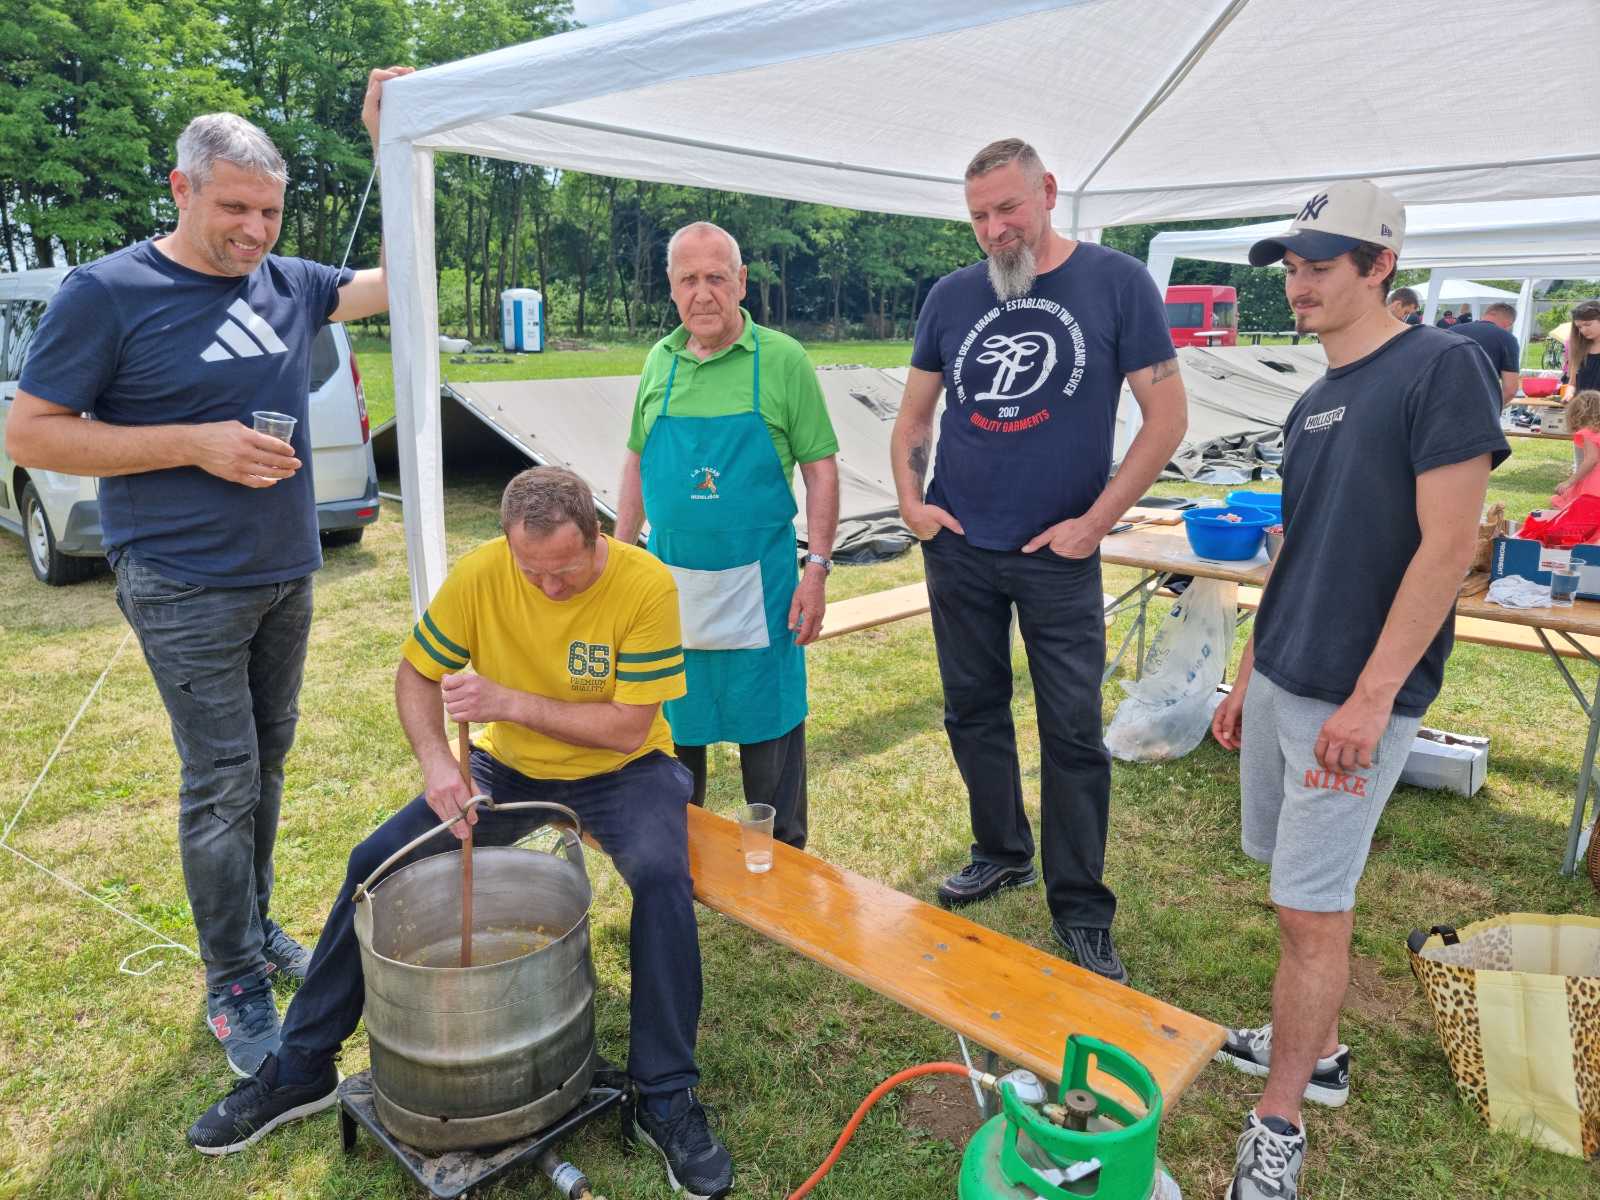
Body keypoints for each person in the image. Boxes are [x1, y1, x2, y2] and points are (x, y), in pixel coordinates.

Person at [4, 70, 411, 1077]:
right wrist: (194, 445)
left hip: (285, 569)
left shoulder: (291, 283)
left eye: (269, 211)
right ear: (181, 191)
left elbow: (403, 277)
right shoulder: (109, 291)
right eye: (234, 207)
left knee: (267, 767)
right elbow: (33, 429)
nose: (255, 230)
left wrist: (385, 144)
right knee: (221, 780)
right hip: (182, 578)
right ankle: (232, 977)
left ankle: (256, 927)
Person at [187, 467, 735, 1198]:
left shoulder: (645, 585)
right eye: (530, 571)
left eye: (564, 572)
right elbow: (416, 675)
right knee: (375, 862)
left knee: (665, 879)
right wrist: (437, 761)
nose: (546, 588)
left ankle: (665, 1092)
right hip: (505, 771)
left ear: (597, 537)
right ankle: (301, 1066)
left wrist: (507, 698)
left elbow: (624, 726)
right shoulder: (482, 575)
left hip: (622, 769)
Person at [1210, 179, 1506, 1200]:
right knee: (1287, 886)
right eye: (1289, 266)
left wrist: (1375, 698)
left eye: (1319, 266)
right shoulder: (1311, 396)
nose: (1297, 284)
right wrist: (1246, 670)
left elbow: (1450, 544)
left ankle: (1280, 1119)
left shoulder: (1442, 367)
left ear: (1381, 266)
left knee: (1309, 911)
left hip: (1355, 698)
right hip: (1287, 672)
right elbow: (1294, 547)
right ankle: (1320, 1052)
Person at [889, 138, 1187, 984]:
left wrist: (1094, 523)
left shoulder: (1116, 283)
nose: (994, 230)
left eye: (1009, 209)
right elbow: (915, 418)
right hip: (960, 549)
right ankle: (1000, 848)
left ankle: (1081, 904)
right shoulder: (950, 298)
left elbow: (1166, 420)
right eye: (979, 215)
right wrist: (914, 507)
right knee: (972, 710)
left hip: (1060, 552)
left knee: (1072, 731)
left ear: (1048, 193)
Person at [614, 222, 839, 851]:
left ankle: (785, 868)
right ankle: (678, 858)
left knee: (768, 726)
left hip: (761, 591)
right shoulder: (659, 361)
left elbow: (821, 469)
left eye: (717, 277)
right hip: (669, 589)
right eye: (689, 279)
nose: (703, 293)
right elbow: (635, 461)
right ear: (671, 287)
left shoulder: (784, 359)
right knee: (674, 735)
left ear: (741, 282)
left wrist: (816, 568)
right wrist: (619, 555)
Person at [1449, 301, 1522, 409]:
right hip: (1477, 406)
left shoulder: (1451, 331)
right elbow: (1510, 389)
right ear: (1509, 323)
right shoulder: (1507, 339)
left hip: (1442, 404)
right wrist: (1492, 411)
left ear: (1486, 314)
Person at [1550, 390, 1600, 509]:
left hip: (1594, 483)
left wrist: (1570, 481)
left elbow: (1591, 459)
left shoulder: (1588, 432)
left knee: (1574, 510)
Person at [1562, 299, 1600, 395]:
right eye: (1579, 327)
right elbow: (1572, 383)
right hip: (1581, 406)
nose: (1583, 330)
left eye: (1588, 324)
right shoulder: (1578, 348)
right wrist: (1568, 394)